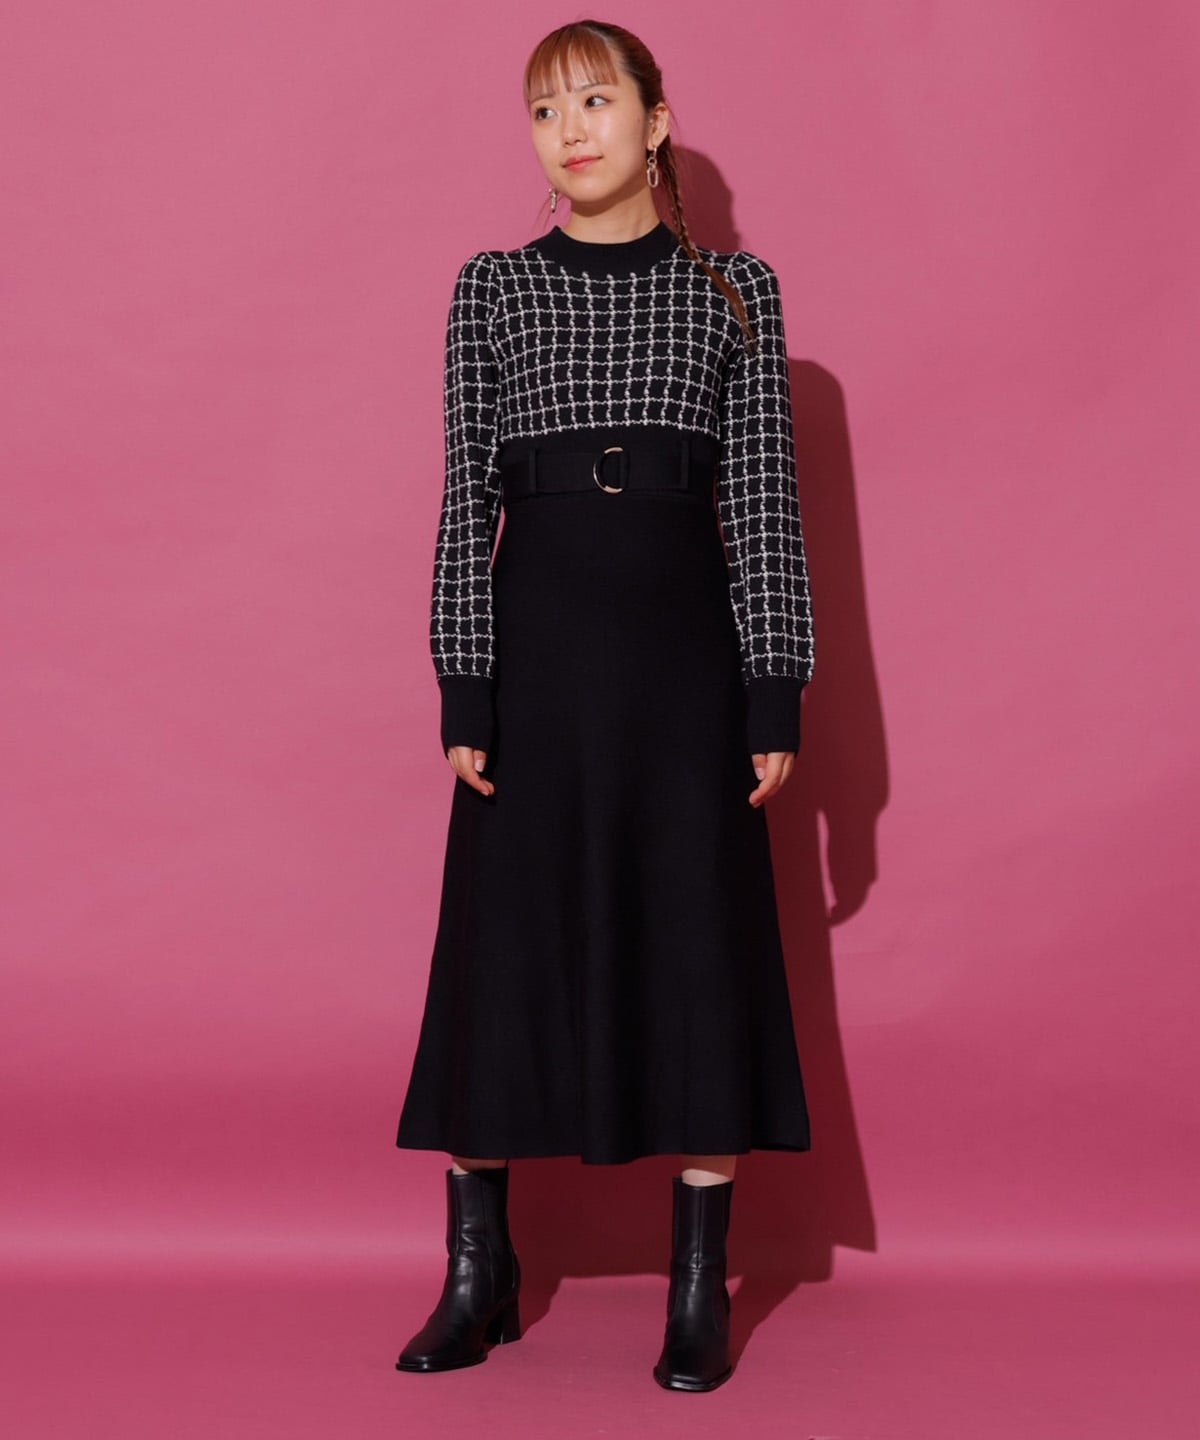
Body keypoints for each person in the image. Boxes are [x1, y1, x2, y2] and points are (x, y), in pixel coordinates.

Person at [394, 20, 815, 1392]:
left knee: (698, 947)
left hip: (688, 673)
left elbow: (764, 505)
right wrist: (464, 680)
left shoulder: (736, 292)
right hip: (536, 667)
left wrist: (774, 692)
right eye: (543, 110)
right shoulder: (494, 288)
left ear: (654, 119)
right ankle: (479, 1274)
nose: (569, 130)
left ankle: (699, 1290)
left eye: (593, 99)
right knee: (502, 954)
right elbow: (465, 498)